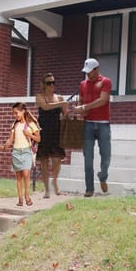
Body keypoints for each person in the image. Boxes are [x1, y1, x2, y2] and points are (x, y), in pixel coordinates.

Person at [75, 58, 112, 197]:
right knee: (88, 158)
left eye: (90, 72)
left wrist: (85, 107)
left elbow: (103, 100)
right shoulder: (83, 84)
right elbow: (81, 100)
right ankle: (89, 188)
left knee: (106, 156)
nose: (88, 75)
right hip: (88, 125)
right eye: (86, 72)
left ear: (97, 69)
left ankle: (103, 176)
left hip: (103, 124)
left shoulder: (106, 82)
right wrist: (81, 109)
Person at [35, 73, 68, 199]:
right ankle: (47, 189)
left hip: (56, 131)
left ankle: (55, 180)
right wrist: (61, 104)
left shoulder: (59, 98)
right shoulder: (40, 96)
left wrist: (66, 109)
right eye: (49, 83)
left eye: (53, 82)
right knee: (44, 161)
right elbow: (45, 107)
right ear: (43, 85)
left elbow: (64, 115)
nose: (52, 85)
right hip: (44, 131)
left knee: (57, 160)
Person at [3, 103, 40, 207]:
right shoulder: (15, 124)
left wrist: (28, 134)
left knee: (26, 174)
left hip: (27, 151)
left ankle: (27, 195)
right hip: (16, 152)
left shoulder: (31, 124)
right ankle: (20, 199)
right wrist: (5, 145)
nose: (15, 115)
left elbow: (38, 139)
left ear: (23, 111)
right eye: (14, 113)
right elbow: (11, 139)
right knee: (19, 177)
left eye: (16, 113)